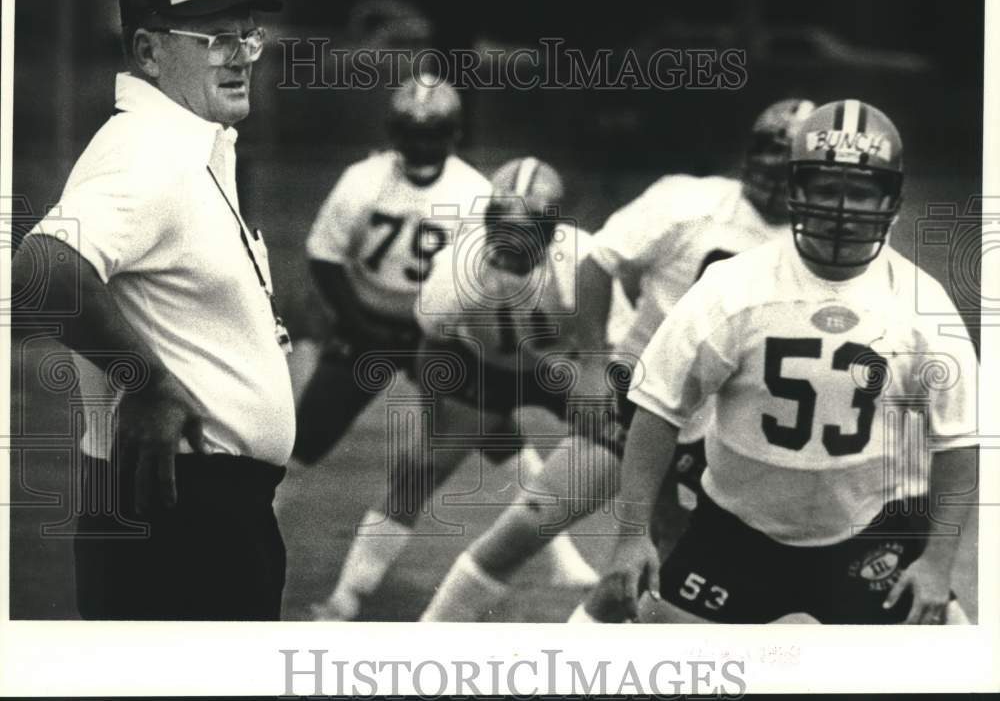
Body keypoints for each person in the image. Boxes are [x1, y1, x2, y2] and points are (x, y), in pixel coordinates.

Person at [420, 99, 814, 622]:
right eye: (768, 158)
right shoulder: (689, 202)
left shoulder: (817, 250)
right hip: (643, 399)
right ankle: (429, 642)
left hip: (726, 425)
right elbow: (598, 262)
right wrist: (592, 363)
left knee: (666, 577)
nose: (774, 177)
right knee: (525, 529)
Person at [603, 99, 978, 624]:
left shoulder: (921, 302)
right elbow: (657, 409)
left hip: (863, 530)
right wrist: (630, 535)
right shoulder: (734, 287)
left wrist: (938, 563)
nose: (843, 209)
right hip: (735, 530)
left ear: (890, 200)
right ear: (796, 190)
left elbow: (959, 440)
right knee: (668, 658)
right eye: (827, 189)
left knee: (954, 662)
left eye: (861, 191)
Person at [11, 0, 293, 620]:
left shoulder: (190, 143)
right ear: (147, 49)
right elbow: (42, 271)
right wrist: (151, 383)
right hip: (174, 513)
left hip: (200, 510)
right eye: (214, 40)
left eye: (247, 36)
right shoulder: (149, 150)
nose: (240, 58)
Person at [311, 156, 617, 621]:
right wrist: (440, 413)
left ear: (551, 229)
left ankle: (640, 572)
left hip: (561, 367)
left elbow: (614, 335)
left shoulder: (582, 259)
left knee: (628, 446)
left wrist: (590, 374)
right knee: (420, 469)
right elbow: (432, 339)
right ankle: (345, 600)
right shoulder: (458, 264)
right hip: (482, 364)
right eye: (502, 226)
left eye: (526, 229)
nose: (511, 243)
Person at [293, 75, 491, 465]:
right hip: (364, 321)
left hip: (436, 331)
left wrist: (447, 333)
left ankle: (550, 516)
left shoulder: (474, 192)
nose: (420, 145)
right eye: (410, 133)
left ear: (455, 134)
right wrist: (357, 325)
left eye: (433, 133)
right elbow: (324, 255)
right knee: (304, 441)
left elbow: (478, 279)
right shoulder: (363, 178)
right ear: (392, 132)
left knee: (491, 428)